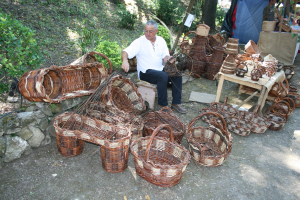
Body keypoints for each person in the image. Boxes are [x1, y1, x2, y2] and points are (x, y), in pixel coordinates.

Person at [121, 20, 187, 114]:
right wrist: (125, 60)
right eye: (146, 31)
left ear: (156, 31)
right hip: (145, 72)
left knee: (177, 74)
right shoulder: (139, 42)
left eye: (150, 31)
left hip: (159, 69)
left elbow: (164, 58)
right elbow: (125, 52)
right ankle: (162, 105)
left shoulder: (161, 40)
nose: (147, 34)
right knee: (162, 76)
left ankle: (176, 103)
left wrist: (169, 59)